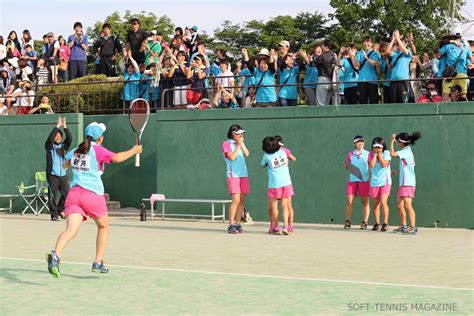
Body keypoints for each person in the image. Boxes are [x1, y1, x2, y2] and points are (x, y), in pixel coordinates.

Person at [46, 122, 143, 277]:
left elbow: (66, 163)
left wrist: (69, 164)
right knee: (103, 227)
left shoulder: (77, 150)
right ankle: (98, 262)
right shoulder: (98, 150)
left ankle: (55, 255)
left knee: (71, 230)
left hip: (74, 194)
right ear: (100, 138)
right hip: (92, 195)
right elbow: (117, 158)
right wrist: (134, 150)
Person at [261, 136, 294, 235]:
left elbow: (263, 164)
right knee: (285, 206)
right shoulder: (283, 152)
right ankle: (286, 226)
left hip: (274, 184)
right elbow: (290, 158)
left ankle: (275, 226)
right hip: (286, 182)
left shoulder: (266, 156)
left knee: (274, 206)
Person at [390, 131, 421, 235]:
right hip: (403, 183)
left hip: (407, 183)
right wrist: (398, 172)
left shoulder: (406, 151)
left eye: (398, 141)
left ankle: (413, 227)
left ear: (402, 142)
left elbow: (392, 154)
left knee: (407, 205)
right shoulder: (405, 151)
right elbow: (408, 167)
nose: (397, 143)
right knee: (399, 205)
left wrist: (391, 142)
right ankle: (404, 226)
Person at [222, 125, 249, 234]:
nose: (241, 135)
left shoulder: (240, 142)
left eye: (242, 133)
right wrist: (238, 146)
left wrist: (241, 144)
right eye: (238, 133)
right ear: (233, 134)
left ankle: (238, 224)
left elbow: (247, 153)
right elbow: (232, 157)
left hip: (243, 174)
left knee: (241, 201)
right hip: (233, 175)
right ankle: (230, 225)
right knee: (236, 200)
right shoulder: (226, 144)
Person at [45, 117, 72, 221]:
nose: (58, 137)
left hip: (63, 175)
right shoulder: (49, 146)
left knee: (67, 193)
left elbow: (70, 138)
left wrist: (65, 126)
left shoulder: (64, 146)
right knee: (52, 196)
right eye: (56, 135)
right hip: (52, 175)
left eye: (59, 136)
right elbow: (50, 138)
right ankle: (54, 214)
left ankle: (60, 210)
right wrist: (57, 126)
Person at [343, 135, 370, 229]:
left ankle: (365, 222)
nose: (361, 143)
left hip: (364, 181)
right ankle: (347, 221)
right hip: (352, 181)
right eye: (359, 142)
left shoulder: (368, 154)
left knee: (365, 202)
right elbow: (346, 164)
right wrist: (351, 169)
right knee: (349, 202)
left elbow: (372, 165)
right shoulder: (350, 154)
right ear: (355, 143)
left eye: (362, 141)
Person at [440, 27, 472, 101]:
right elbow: (471, 59)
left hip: (451, 74)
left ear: (452, 36)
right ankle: (465, 110)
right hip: (462, 73)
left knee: (446, 93)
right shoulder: (466, 46)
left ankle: (445, 110)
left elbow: (438, 55)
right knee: (463, 94)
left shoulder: (447, 46)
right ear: (461, 36)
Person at [368, 137, 391, 232]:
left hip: (385, 182)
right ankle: (377, 223)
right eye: (375, 146)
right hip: (374, 182)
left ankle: (385, 223)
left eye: (379, 147)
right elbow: (372, 165)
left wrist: (379, 154)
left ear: (383, 146)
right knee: (376, 204)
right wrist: (374, 155)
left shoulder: (386, 153)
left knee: (383, 202)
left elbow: (384, 164)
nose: (377, 148)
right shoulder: (370, 154)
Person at [386, 30, 413, 103]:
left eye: (401, 43)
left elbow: (404, 49)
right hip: (394, 82)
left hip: (403, 82)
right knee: (394, 103)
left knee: (403, 102)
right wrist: (393, 40)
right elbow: (387, 51)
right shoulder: (395, 54)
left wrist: (398, 38)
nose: (399, 45)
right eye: (397, 44)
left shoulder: (408, 54)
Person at [356, 36, 380, 104]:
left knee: (373, 102)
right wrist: (352, 56)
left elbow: (373, 64)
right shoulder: (359, 53)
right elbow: (356, 65)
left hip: (372, 81)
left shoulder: (375, 53)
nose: (366, 43)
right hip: (362, 81)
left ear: (372, 43)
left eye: (368, 41)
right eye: (364, 41)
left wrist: (366, 58)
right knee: (362, 103)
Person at [315, 40, 337, 106]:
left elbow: (315, 63)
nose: (321, 47)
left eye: (322, 45)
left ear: (326, 46)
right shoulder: (334, 55)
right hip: (332, 81)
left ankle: (321, 116)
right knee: (326, 104)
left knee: (320, 104)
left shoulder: (323, 56)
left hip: (323, 80)